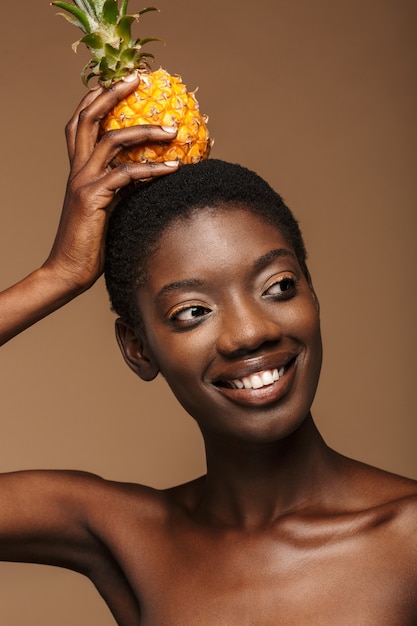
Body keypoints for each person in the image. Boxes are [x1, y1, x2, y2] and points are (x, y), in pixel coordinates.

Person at [1, 75, 417, 626]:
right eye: (192, 312)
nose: (249, 333)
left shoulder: (407, 542)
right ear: (138, 349)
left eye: (279, 287)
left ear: (313, 293)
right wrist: (58, 276)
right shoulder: (128, 537)